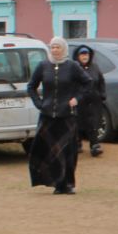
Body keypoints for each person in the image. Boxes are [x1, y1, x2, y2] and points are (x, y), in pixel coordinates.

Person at [27, 37, 88, 194]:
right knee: (47, 150)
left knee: (68, 151)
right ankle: (55, 182)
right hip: (48, 116)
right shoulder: (43, 66)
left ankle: (68, 184)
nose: (55, 50)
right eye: (52, 47)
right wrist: (40, 104)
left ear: (64, 49)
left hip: (66, 115)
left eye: (58, 47)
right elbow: (31, 86)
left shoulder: (72, 66)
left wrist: (77, 99)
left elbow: (88, 83)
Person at [73, 44, 106, 157]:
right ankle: (77, 144)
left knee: (94, 123)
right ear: (77, 56)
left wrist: (102, 95)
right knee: (78, 124)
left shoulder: (95, 67)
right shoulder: (74, 68)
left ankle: (94, 146)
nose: (84, 56)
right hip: (80, 101)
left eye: (86, 54)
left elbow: (101, 81)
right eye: (82, 54)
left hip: (94, 101)